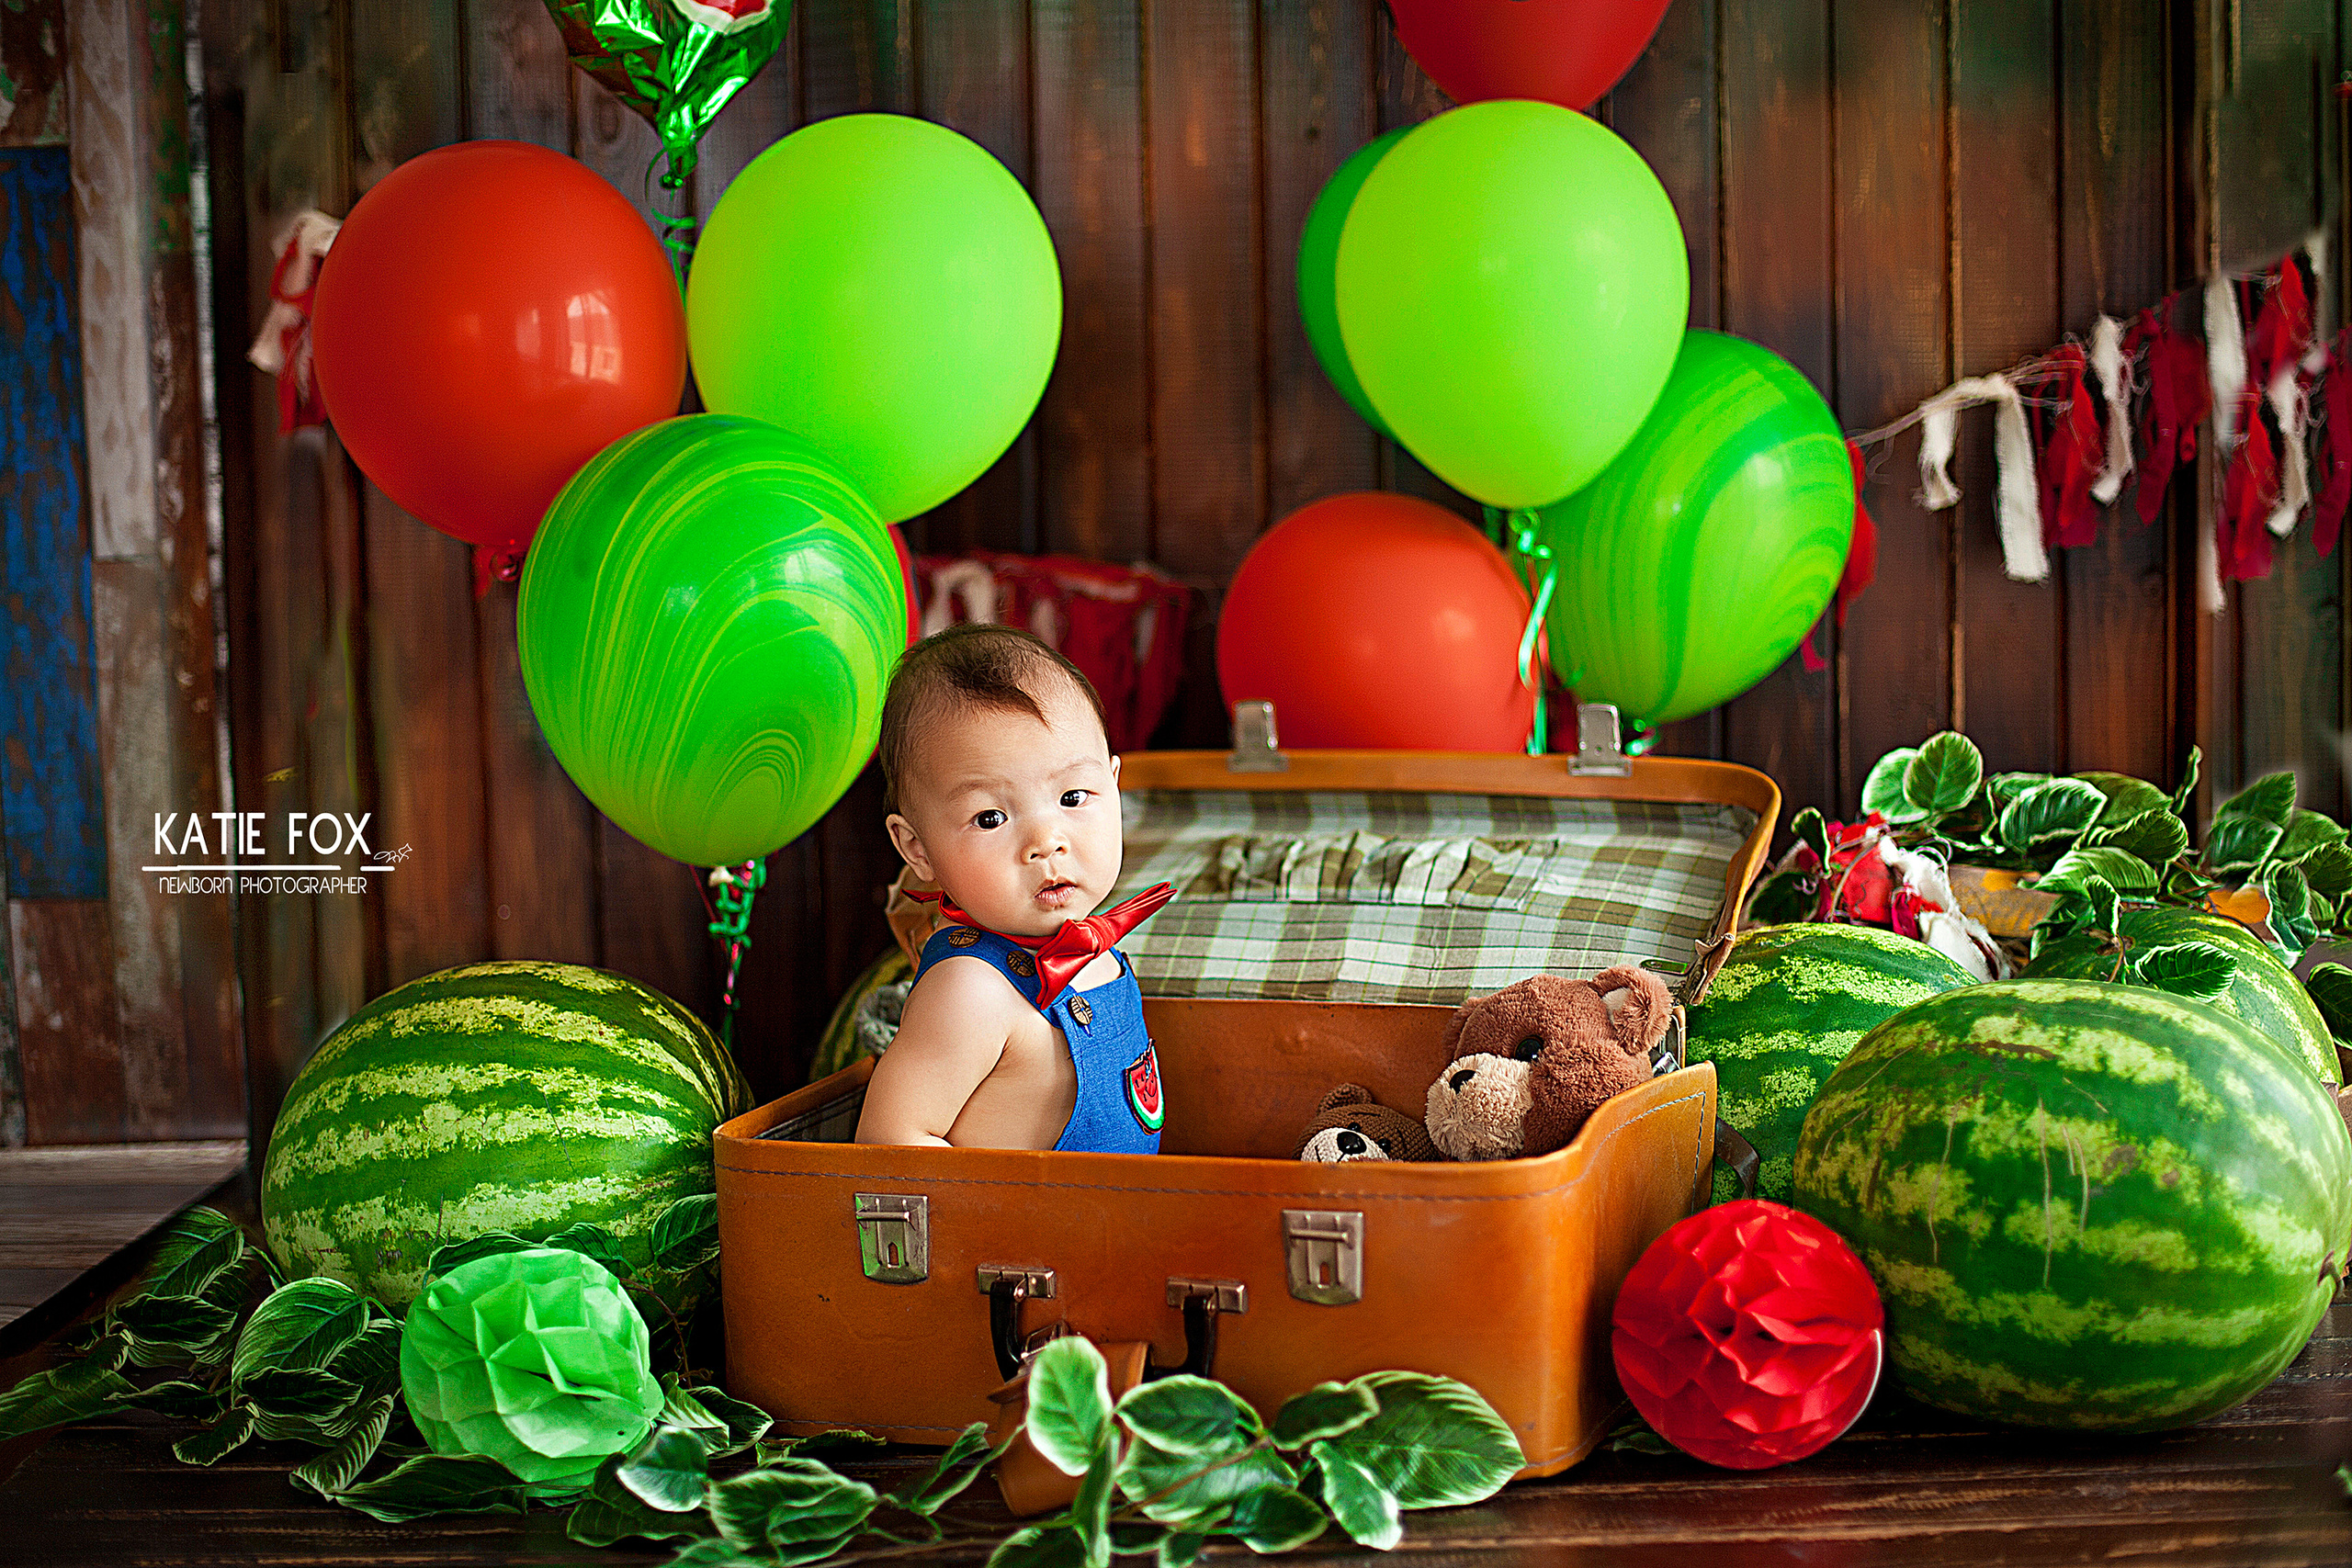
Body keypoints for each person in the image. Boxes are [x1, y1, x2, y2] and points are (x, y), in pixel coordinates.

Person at [854, 625, 1171, 1152]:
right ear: (917, 847)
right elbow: (890, 1142)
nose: (1046, 842)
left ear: (1114, 788)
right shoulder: (970, 990)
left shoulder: (1095, 950)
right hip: (1017, 1211)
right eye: (991, 818)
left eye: (1073, 797)